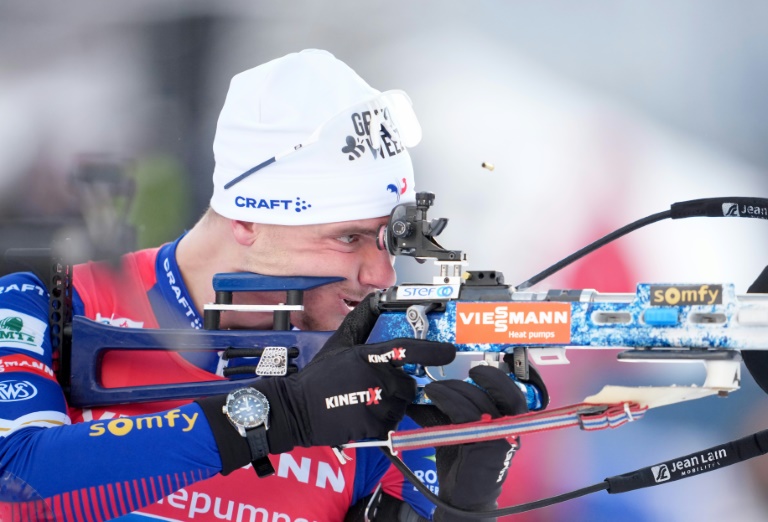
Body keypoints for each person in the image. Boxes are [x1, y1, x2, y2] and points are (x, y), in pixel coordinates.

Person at [0, 49, 546, 522]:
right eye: (349, 237)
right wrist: (279, 416)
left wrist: (455, 509)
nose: (381, 275)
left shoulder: (384, 387)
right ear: (248, 220)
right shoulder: (43, 305)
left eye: (388, 242)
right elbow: (15, 482)